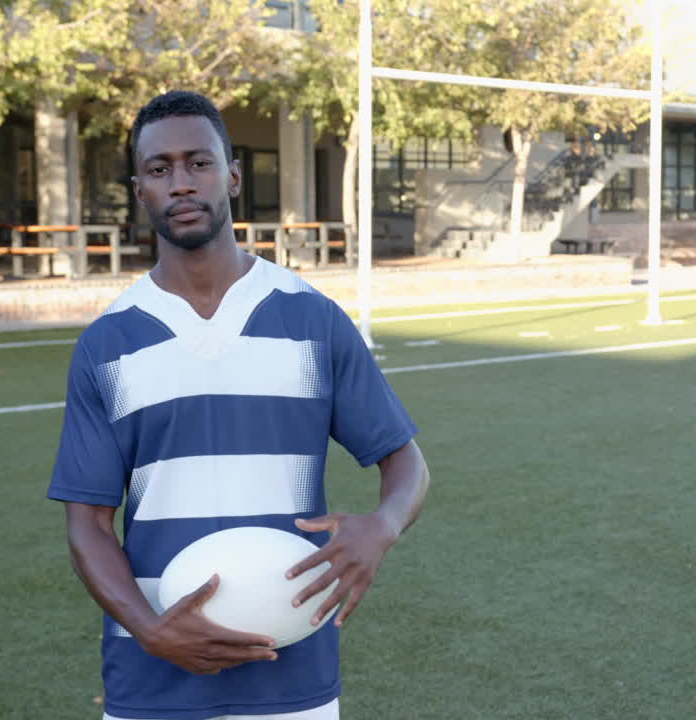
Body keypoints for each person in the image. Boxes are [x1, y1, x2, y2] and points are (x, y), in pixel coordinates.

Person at [48, 90, 430, 720]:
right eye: (159, 168)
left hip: (292, 671)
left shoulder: (312, 319)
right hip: (151, 680)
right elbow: (86, 526)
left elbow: (405, 461)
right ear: (140, 189)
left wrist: (383, 526)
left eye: (199, 162)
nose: (181, 182)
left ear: (231, 174)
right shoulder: (106, 343)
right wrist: (149, 629)